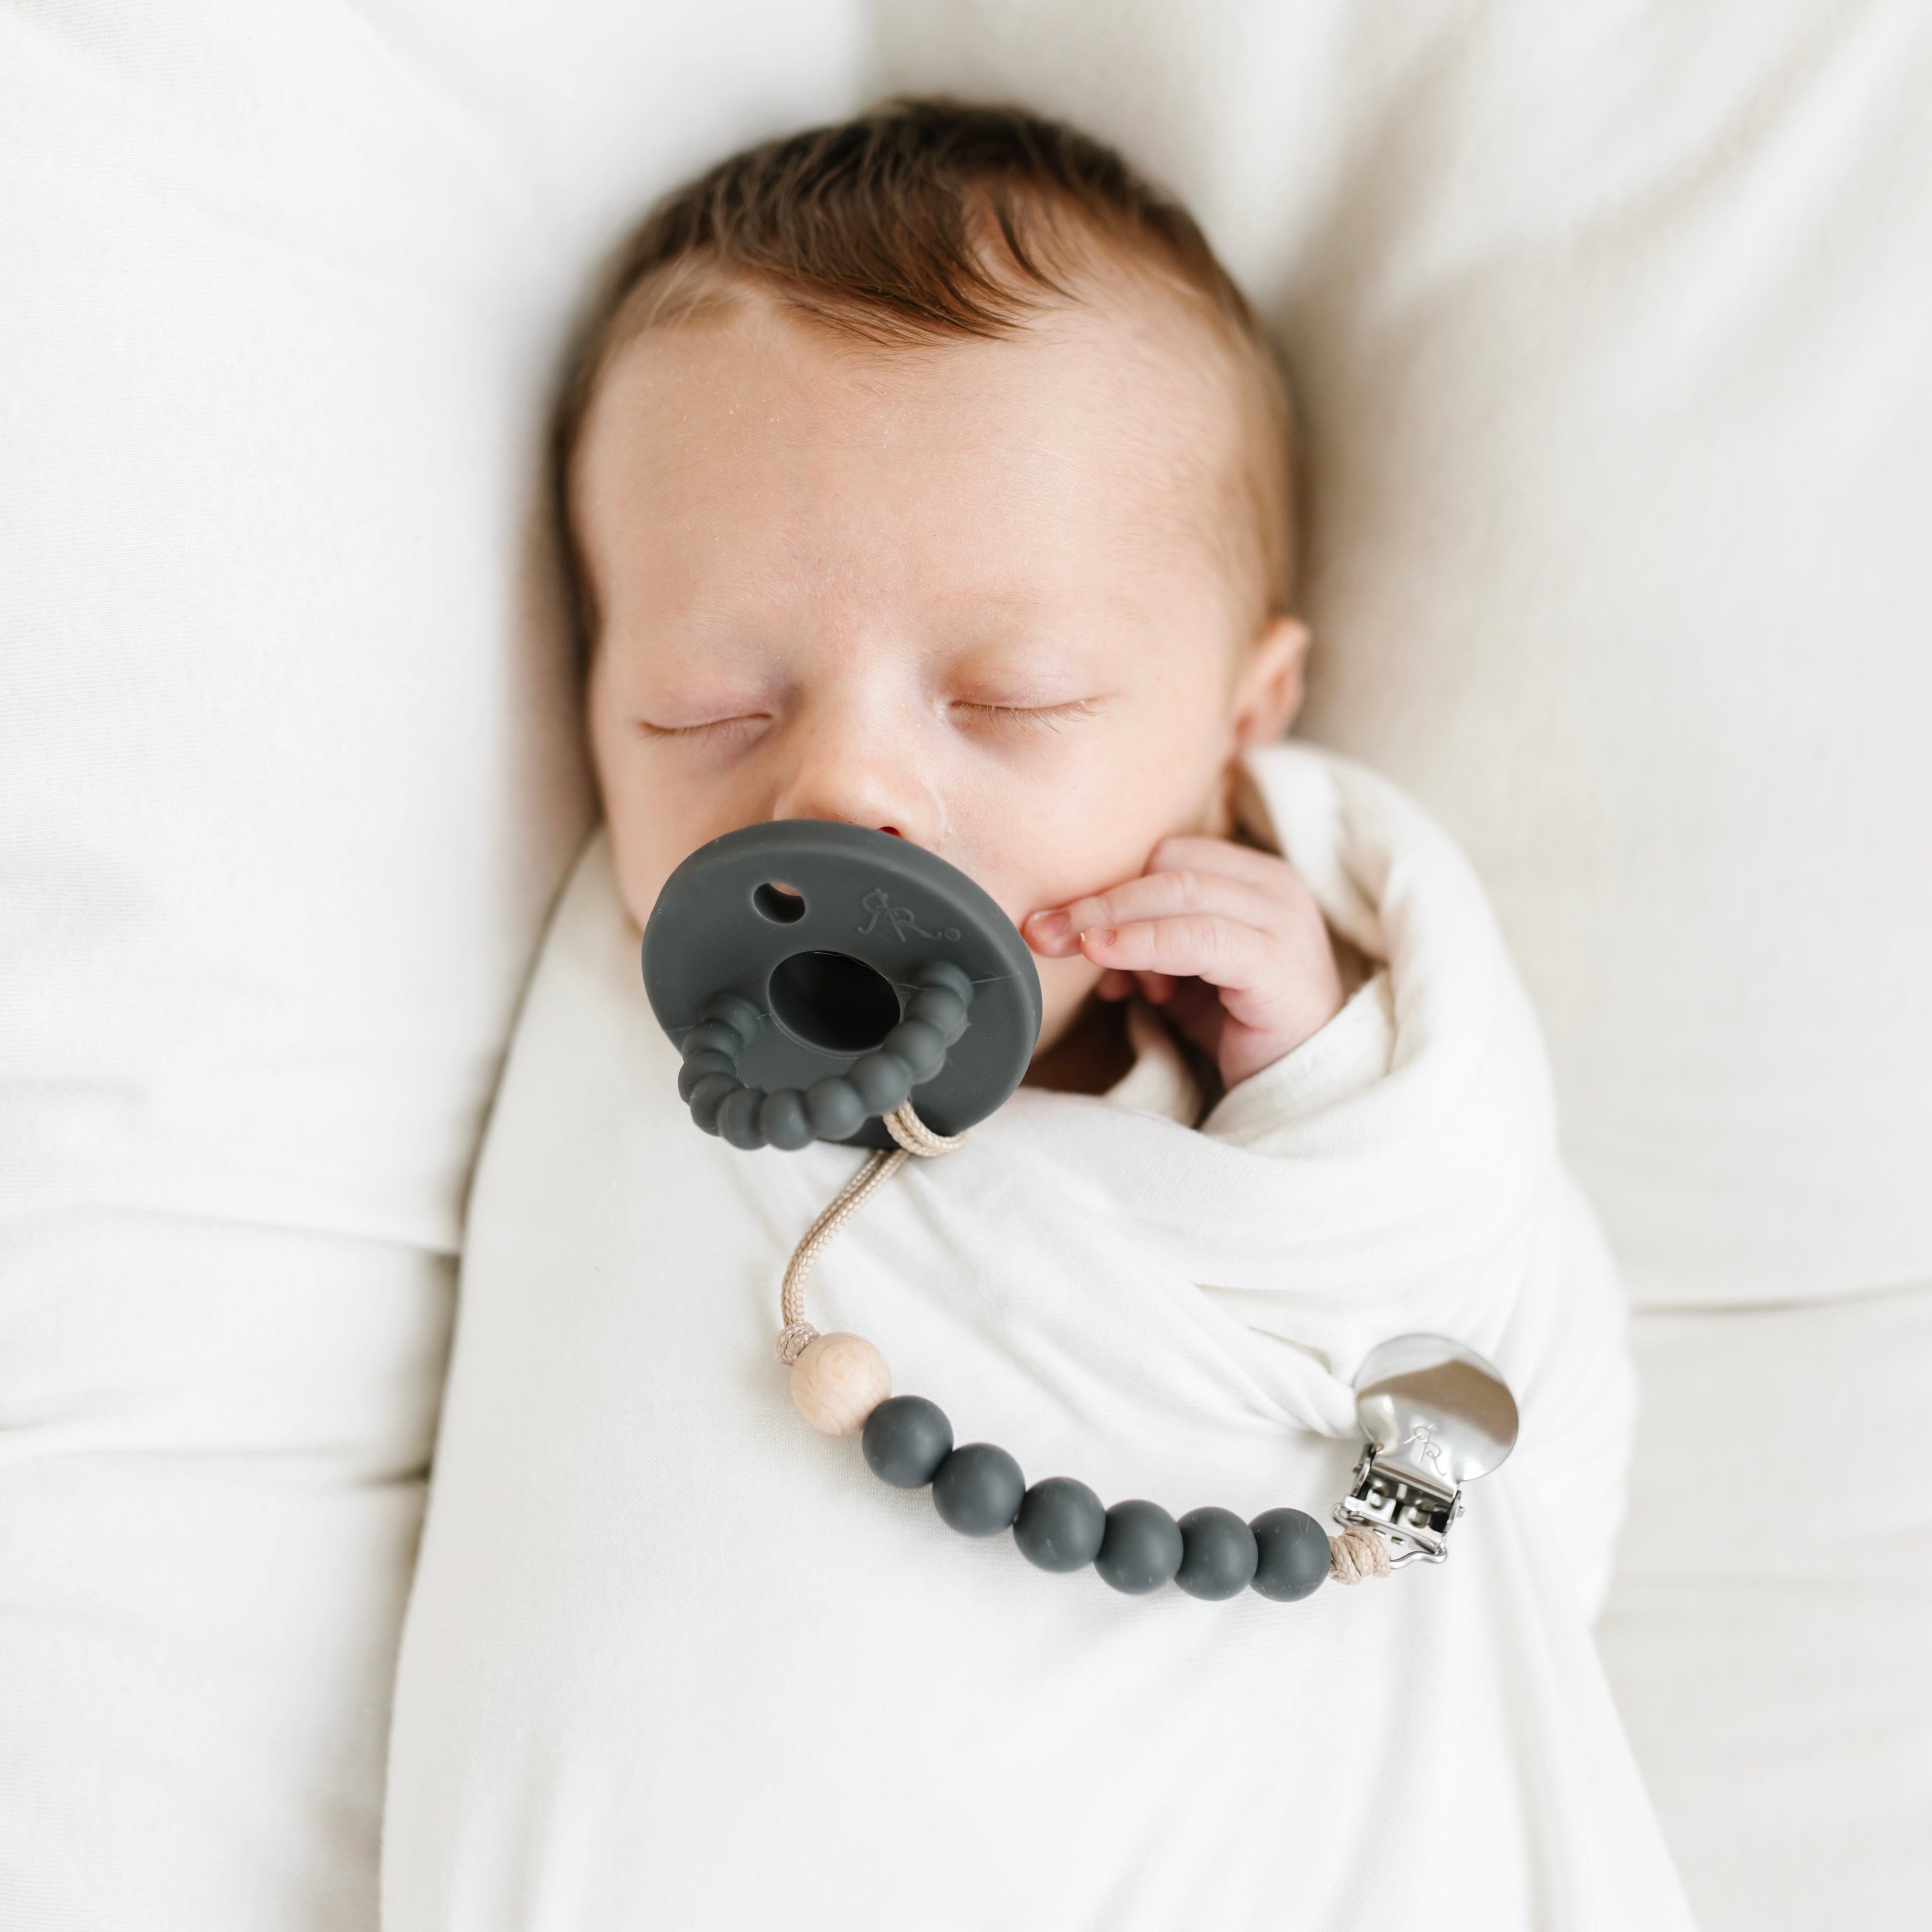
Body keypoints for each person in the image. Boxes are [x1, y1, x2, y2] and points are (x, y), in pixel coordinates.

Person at [382, 101, 1692, 1929]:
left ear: (1244, 723)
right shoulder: (634, 1029)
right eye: (708, 711)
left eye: (1006, 700)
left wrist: (1324, 1096)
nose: (842, 790)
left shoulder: (1321, 1082)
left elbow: (1516, 1428)